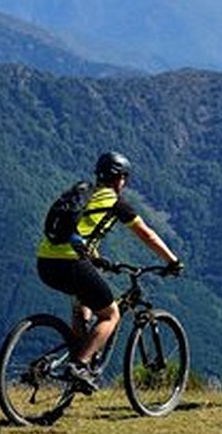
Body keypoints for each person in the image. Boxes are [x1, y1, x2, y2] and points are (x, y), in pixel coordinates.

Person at [36, 151, 183, 394]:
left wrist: (97, 259)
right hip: (71, 263)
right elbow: (146, 234)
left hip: (45, 262)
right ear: (120, 179)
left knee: (82, 306)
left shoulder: (84, 194)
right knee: (110, 314)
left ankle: (78, 352)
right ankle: (79, 365)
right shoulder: (115, 202)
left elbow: (79, 233)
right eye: (124, 178)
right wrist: (172, 261)